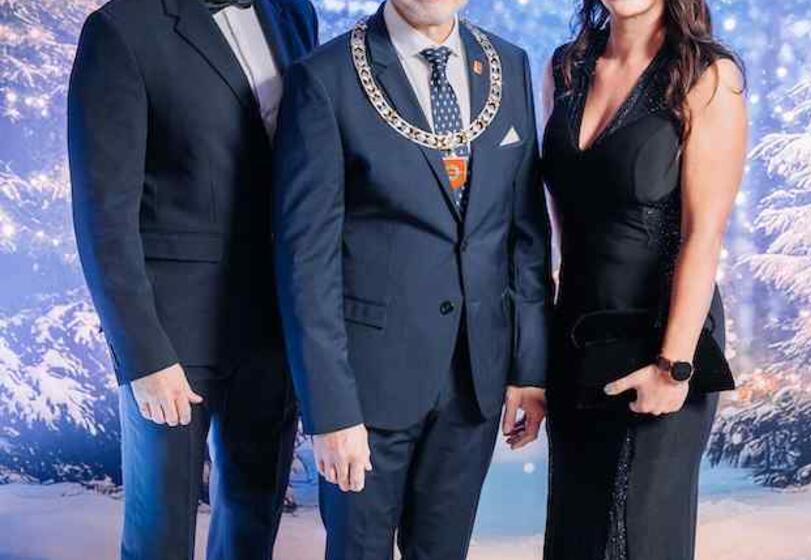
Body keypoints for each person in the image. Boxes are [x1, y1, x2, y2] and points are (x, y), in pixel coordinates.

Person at [272, 0, 552, 557]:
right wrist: (331, 410)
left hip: (475, 379)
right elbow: (306, 261)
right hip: (367, 390)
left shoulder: (509, 64)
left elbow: (525, 233)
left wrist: (529, 367)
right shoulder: (325, 78)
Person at [67, 0, 317, 558]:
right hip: (172, 335)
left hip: (276, 326)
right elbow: (103, 216)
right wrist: (143, 355)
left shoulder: (294, 12)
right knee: (159, 536)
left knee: (253, 523)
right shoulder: (119, 29)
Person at [541, 0, 746, 558]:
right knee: (577, 536)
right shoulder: (566, 66)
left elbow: (704, 235)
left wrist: (673, 366)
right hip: (578, 338)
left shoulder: (707, 74)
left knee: (639, 537)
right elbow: (563, 223)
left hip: (663, 340)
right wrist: (538, 358)